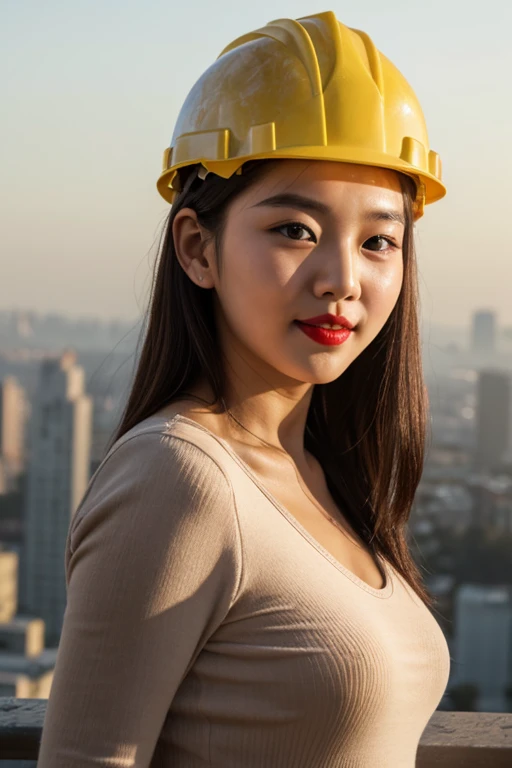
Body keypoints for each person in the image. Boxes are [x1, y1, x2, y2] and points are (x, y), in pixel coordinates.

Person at [37, 10, 451, 767]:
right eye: (295, 228)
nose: (342, 280)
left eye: (378, 240)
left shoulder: (324, 474)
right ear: (198, 248)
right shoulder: (177, 475)